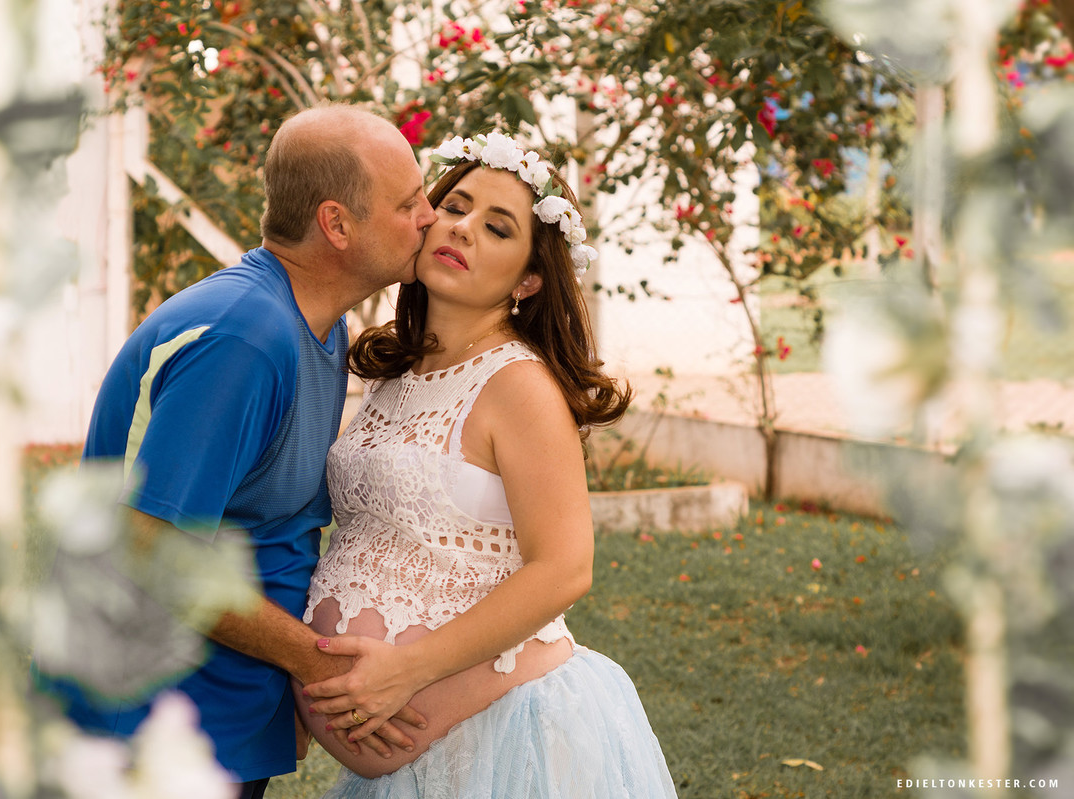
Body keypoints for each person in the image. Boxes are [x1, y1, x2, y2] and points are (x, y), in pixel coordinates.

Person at [33, 104, 438, 798]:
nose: (430, 216)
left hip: (222, 708)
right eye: (409, 202)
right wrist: (318, 665)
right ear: (336, 225)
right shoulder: (245, 340)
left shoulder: (317, 323)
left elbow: (262, 523)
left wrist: (285, 689)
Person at [295, 132, 679, 797]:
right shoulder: (397, 373)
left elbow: (565, 566)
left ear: (529, 279)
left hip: (503, 739)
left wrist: (406, 670)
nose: (464, 228)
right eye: (457, 206)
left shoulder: (519, 386)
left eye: (497, 227)